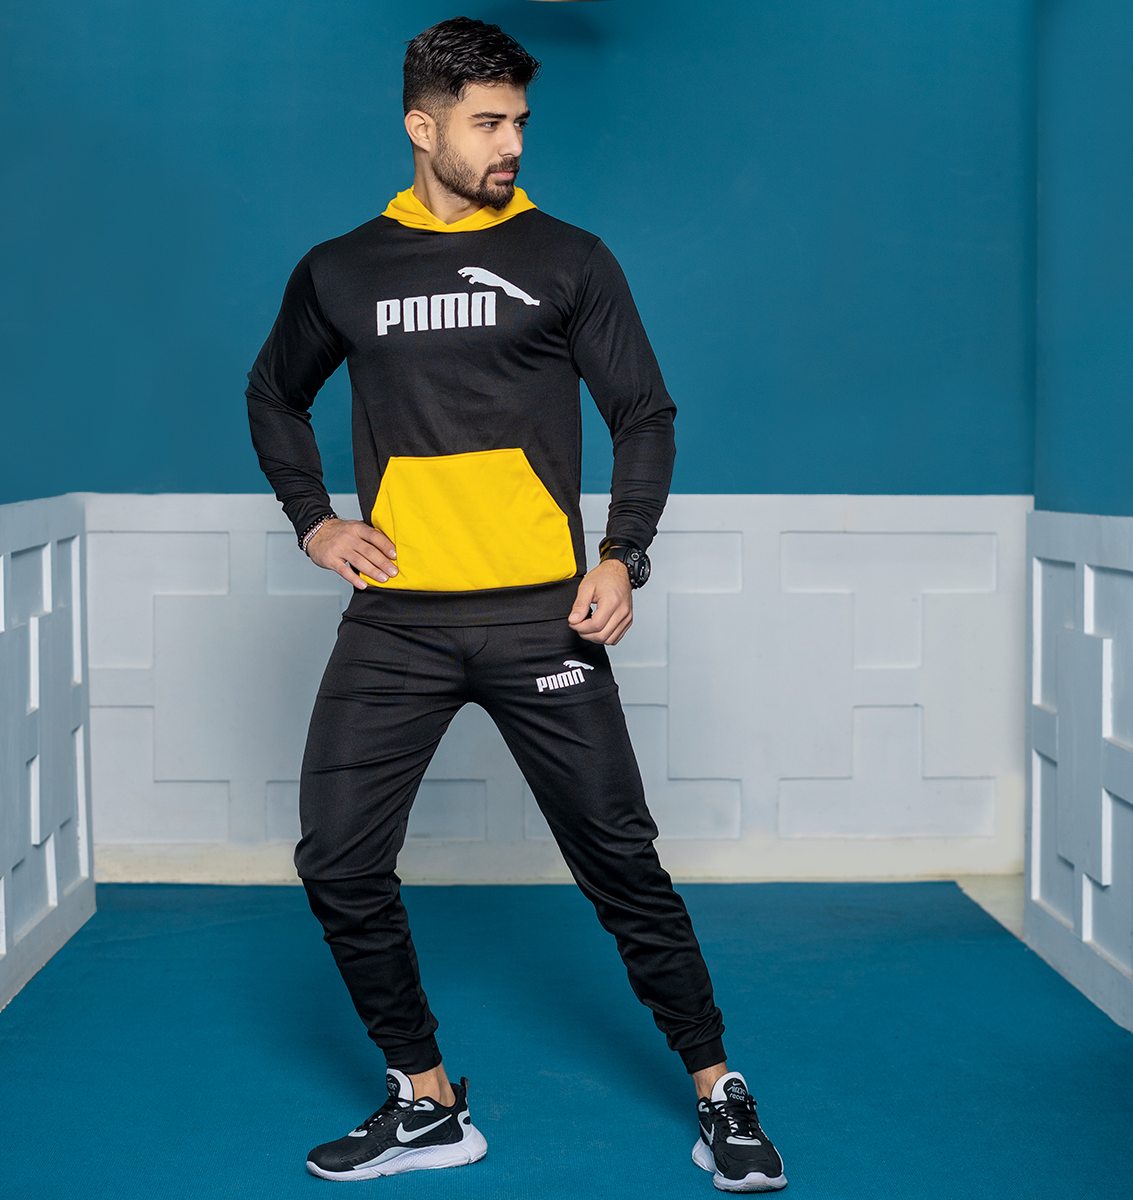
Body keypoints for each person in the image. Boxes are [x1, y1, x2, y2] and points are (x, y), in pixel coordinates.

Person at [246, 16, 786, 1192]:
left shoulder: (568, 258)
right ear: (421, 125)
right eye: (488, 122)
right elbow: (272, 394)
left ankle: (718, 1088)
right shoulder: (342, 269)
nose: (511, 144)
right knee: (337, 861)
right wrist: (315, 521)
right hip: (398, 621)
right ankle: (427, 1101)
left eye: (520, 122)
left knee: (620, 865)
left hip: (545, 616)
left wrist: (622, 555)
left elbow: (644, 413)